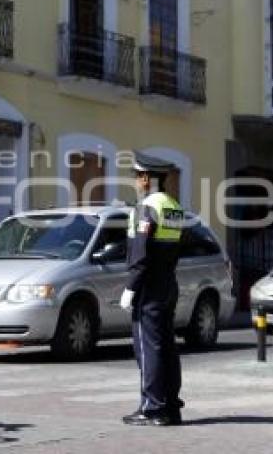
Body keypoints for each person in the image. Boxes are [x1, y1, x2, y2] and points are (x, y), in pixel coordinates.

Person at [119, 151, 185, 426]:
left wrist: (131, 287)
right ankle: (170, 405)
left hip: (148, 287)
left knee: (148, 348)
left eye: (137, 176)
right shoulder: (174, 206)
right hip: (168, 282)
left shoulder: (146, 207)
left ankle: (152, 408)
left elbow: (140, 253)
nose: (135, 181)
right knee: (166, 345)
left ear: (146, 178)